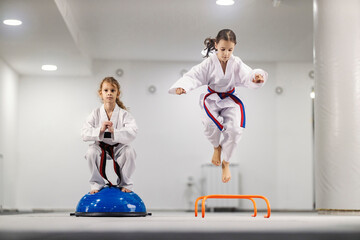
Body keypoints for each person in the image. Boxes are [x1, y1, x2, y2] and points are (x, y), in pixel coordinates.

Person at [168, 29, 268, 183]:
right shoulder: (208, 63)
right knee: (209, 124)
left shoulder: (236, 63)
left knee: (235, 130)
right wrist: (183, 87)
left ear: (234, 48)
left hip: (230, 99)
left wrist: (256, 77)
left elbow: (248, 75)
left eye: (230, 50)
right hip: (212, 99)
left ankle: (226, 162)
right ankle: (216, 147)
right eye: (222, 49)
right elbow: (193, 76)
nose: (226, 53)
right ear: (216, 45)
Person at [81, 77, 137, 194]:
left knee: (129, 151)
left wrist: (115, 132)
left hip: (118, 147)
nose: (109, 93)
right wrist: (100, 130)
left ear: (118, 93)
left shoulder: (124, 114)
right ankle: (96, 183)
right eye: (106, 90)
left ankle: (125, 183)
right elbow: (84, 133)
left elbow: (133, 132)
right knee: (91, 152)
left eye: (113, 90)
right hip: (100, 146)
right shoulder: (95, 113)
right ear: (100, 93)